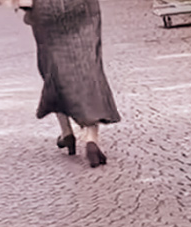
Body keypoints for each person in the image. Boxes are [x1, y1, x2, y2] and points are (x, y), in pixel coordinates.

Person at [7, 0, 120, 166]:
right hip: (82, 6)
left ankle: (67, 132)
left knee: (55, 67)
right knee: (88, 65)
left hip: (44, 9)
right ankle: (91, 139)